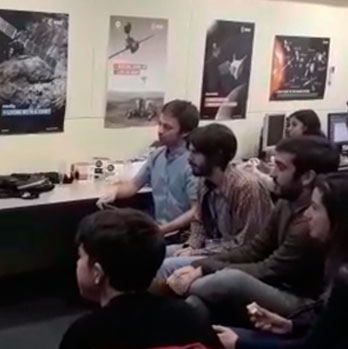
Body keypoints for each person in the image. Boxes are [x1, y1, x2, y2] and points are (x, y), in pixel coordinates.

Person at [47, 209, 240, 349]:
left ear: (97, 272)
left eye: (80, 257)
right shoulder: (193, 316)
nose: (77, 264)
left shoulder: (86, 335)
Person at [166, 136, 340, 323]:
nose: (272, 173)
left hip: (301, 302)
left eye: (280, 167)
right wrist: (203, 266)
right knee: (197, 302)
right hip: (275, 285)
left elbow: (270, 270)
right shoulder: (287, 201)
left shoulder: (309, 223)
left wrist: (203, 270)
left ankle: (166, 289)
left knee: (229, 280)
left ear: (307, 177)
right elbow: (255, 249)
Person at [215, 172, 348, 349]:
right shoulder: (336, 261)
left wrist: (239, 346)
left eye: (315, 208)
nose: (307, 215)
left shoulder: (344, 277)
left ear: (339, 219)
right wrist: (290, 325)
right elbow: (333, 327)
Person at [156, 124, 273, 278]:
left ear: (216, 156)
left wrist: (197, 252)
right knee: (155, 253)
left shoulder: (246, 187)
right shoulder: (204, 181)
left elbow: (246, 244)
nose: (189, 159)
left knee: (167, 266)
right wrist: (192, 245)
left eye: (195, 153)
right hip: (213, 248)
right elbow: (198, 222)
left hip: (237, 258)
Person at [97, 100, 200, 235]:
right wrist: (113, 191)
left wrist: (162, 230)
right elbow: (134, 185)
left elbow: (195, 211)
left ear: (184, 132)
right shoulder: (157, 156)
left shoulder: (193, 163)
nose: (160, 131)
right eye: (160, 124)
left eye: (167, 127)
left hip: (183, 235)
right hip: (160, 229)